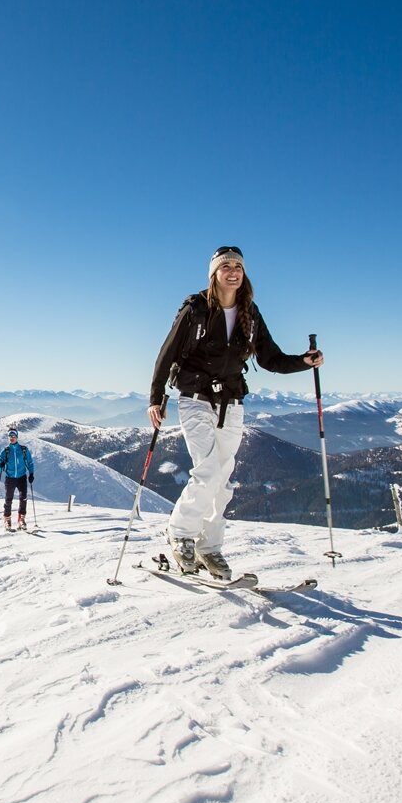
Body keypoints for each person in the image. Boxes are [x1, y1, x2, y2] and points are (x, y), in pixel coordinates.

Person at [147, 245, 323, 580]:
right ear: (214, 273)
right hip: (195, 399)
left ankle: (209, 548)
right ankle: (180, 533)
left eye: (238, 267)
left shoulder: (250, 313)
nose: (233, 272)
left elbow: (271, 359)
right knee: (209, 470)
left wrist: (303, 362)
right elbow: (166, 352)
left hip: (232, 402)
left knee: (223, 481)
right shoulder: (196, 309)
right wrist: (156, 398)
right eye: (225, 266)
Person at [0, 428, 35, 531]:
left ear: (17, 437)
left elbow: (30, 462)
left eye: (13, 436)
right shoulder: (5, 451)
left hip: (21, 477)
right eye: (10, 436)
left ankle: (21, 519)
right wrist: (1, 465)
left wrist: (31, 474)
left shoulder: (23, 450)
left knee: (23, 498)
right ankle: (7, 519)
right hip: (10, 478)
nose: (12, 438)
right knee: (8, 500)